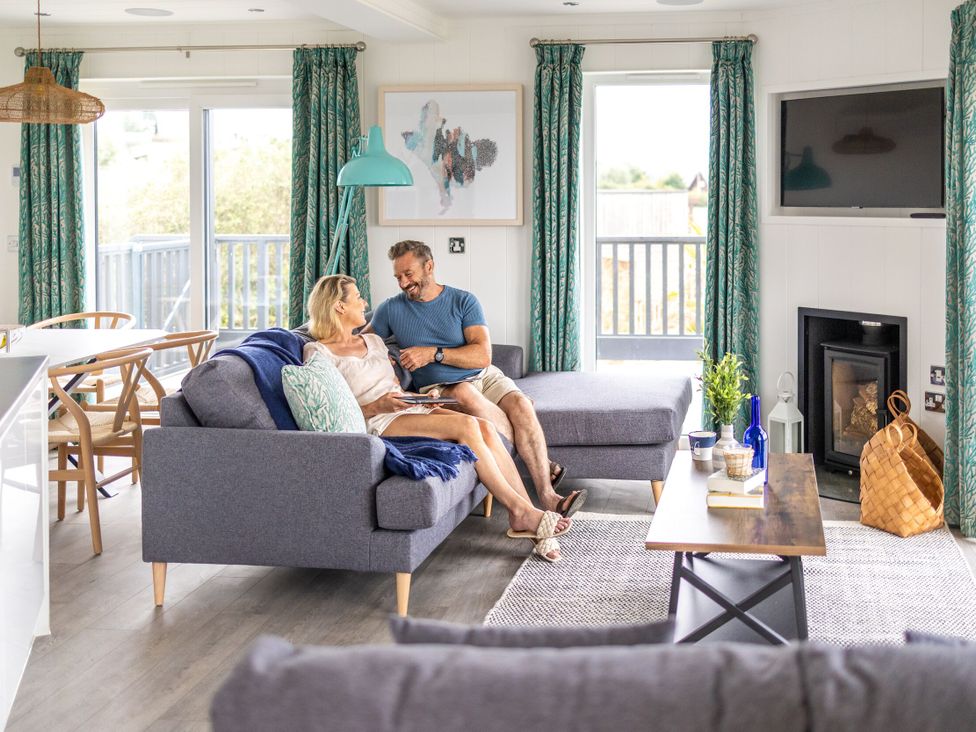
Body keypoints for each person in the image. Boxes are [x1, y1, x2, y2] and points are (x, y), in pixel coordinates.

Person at [304, 274, 570, 563]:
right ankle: (521, 514)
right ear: (339, 307)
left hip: (405, 407)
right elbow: (335, 407)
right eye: (357, 297)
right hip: (377, 419)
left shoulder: (373, 341)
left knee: (484, 427)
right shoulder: (318, 352)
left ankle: (527, 514)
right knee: (467, 425)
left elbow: (395, 387)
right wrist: (377, 405)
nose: (364, 302)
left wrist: (420, 398)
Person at [365, 239, 586, 518]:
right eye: (398, 277)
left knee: (520, 404)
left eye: (409, 274)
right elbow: (362, 341)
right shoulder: (391, 309)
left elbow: (482, 356)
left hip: (484, 375)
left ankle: (549, 496)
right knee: (465, 394)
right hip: (441, 388)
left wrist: (433, 354)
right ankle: (542, 465)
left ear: (429, 266)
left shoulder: (463, 300)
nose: (403, 283)